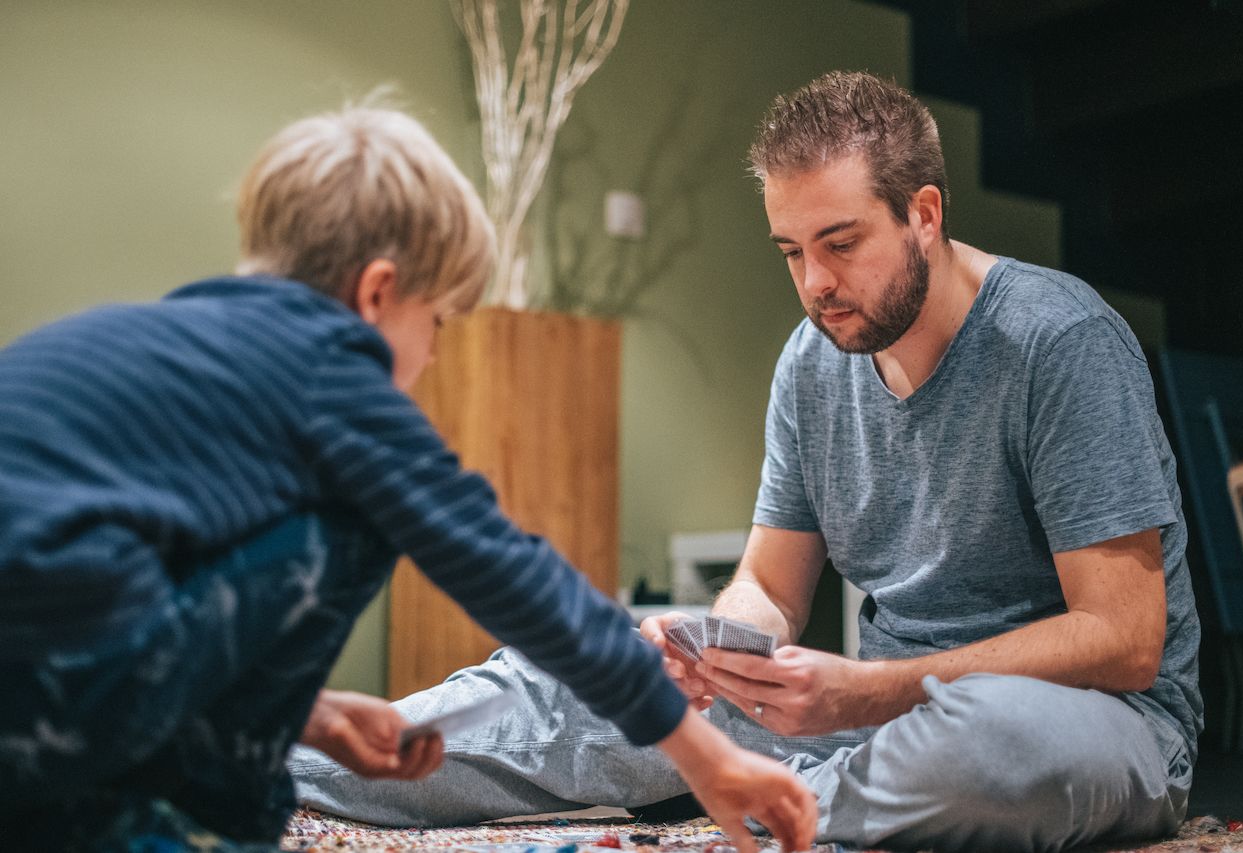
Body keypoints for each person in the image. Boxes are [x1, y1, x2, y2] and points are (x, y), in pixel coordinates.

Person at [290, 71, 1203, 853]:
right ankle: (269, 757)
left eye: (840, 244)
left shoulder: (1060, 339)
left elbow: (1125, 638)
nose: (814, 284)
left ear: (924, 214)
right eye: (792, 252)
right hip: (874, 722)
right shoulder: (814, 360)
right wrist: (713, 657)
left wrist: (872, 691)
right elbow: (769, 586)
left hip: (1090, 728)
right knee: (585, 664)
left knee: (986, 744)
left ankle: (764, 794)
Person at [0, 103, 817, 852]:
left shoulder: (142, 343)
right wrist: (704, 753)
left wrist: (311, 716)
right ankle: (216, 814)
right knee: (354, 517)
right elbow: (508, 570)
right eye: (436, 323)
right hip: (48, 702)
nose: (429, 358)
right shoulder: (329, 370)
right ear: (377, 292)